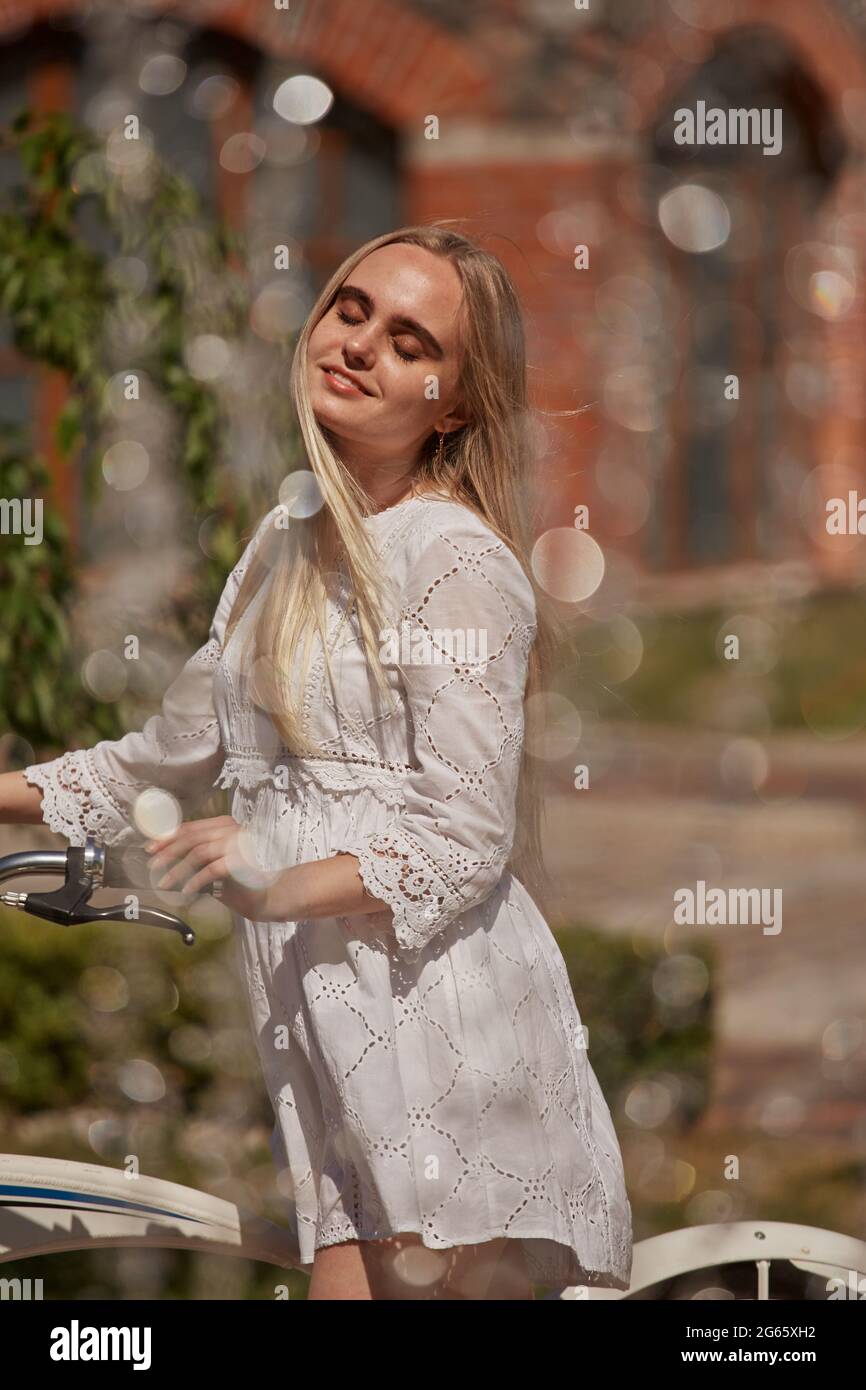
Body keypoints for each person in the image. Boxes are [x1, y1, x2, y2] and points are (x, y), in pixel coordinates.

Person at [1, 224, 633, 1301]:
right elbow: (158, 761)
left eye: (406, 338)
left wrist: (279, 881)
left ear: (455, 403)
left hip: (441, 1034)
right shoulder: (285, 542)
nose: (358, 345)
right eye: (350, 309)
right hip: (329, 1038)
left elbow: (463, 832)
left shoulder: (453, 562)